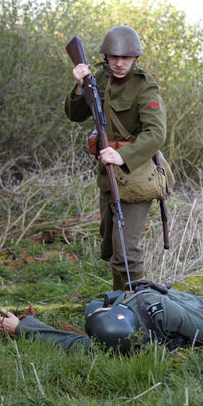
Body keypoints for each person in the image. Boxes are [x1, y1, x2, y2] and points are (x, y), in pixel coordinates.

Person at [64, 26, 173, 291]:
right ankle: (118, 300)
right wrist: (79, 87)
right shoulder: (99, 78)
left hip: (136, 174)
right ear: (106, 57)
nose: (120, 63)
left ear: (135, 58)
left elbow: (156, 133)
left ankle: (138, 308)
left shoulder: (144, 86)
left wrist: (121, 154)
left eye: (126, 57)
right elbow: (75, 115)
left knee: (127, 250)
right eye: (114, 57)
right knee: (111, 246)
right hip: (107, 175)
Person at [0, 272, 203, 354]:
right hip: (159, 316)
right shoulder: (159, 312)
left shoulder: (149, 304)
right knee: (197, 315)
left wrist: (20, 328)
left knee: (92, 306)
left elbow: (66, 342)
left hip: (145, 304)